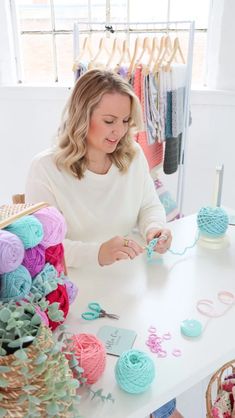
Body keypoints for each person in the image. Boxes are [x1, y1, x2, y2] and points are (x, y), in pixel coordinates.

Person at [25, 69, 182, 418]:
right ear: (82, 117)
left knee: (146, 377)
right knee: (97, 390)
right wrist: (97, 252)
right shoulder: (46, 169)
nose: (120, 131)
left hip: (131, 287)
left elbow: (149, 206)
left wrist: (156, 228)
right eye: (109, 120)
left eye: (126, 121)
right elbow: (43, 252)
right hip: (76, 297)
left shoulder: (133, 157)